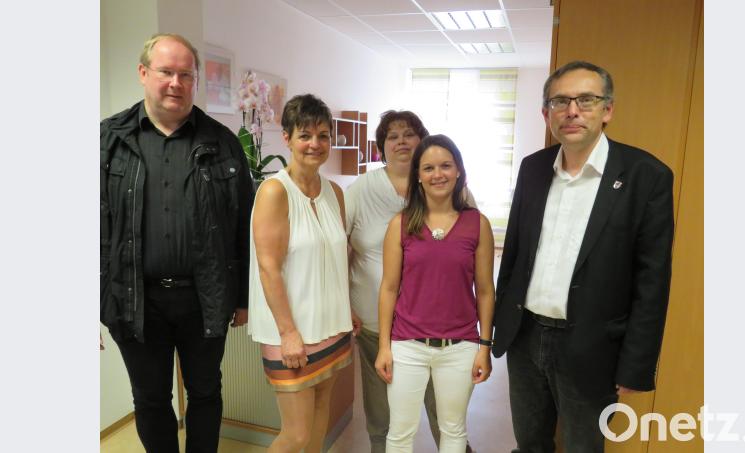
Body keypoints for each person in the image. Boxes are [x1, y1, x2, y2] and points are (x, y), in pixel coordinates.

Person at [492, 60, 675, 452]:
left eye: (586, 100)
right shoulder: (533, 169)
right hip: (526, 339)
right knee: (530, 444)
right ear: (546, 114)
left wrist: (636, 364)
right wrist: (499, 326)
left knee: (583, 447)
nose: (572, 110)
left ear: (607, 110)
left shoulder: (646, 176)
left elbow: (652, 281)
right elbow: (515, 256)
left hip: (593, 347)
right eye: (560, 101)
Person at [100, 33, 254, 453]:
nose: (175, 83)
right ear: (144, 73)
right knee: (150, 399)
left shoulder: (223, 143)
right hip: (134, 298)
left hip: (204, 297)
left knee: (205, 394)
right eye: (166, 72)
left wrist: (241, 297)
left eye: (186, 74)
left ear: (195, 81)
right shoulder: (108, 140)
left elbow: (243, 224)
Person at [347, 110, 473, 453]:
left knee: (445, 417)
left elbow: (470, 252)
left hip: (438, 328)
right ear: (381, 147)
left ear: (422, 142)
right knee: (383, 421)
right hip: (376, 326)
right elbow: (338, 246)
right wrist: (344, 303)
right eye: (392, 136)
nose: (401, 141)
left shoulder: (447, 189)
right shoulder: (361, 190)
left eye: (409, 134)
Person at [248, 93, 359, 453]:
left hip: (331, 325)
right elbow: (268, 267)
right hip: (293, 335)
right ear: (287, 138)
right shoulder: (274, 192)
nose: (315, 144)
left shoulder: (335, 193)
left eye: (323, 135)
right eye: (305, 135)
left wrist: (348, 308)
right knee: (295, 435)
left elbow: (334, 257)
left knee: (319, 416)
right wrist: (288, 333)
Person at [375, 134, 495, 453]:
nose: (437, 174)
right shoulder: (401, 224)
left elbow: (485, 290)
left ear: (458, 171)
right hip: (407, 345)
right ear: (418, 175)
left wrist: (484, 346)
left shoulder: (477, 224)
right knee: (400, 432)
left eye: (445, 166)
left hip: (460, 346)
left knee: (453, 429)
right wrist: (384, 347)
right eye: (428, 168)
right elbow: (388, 289)